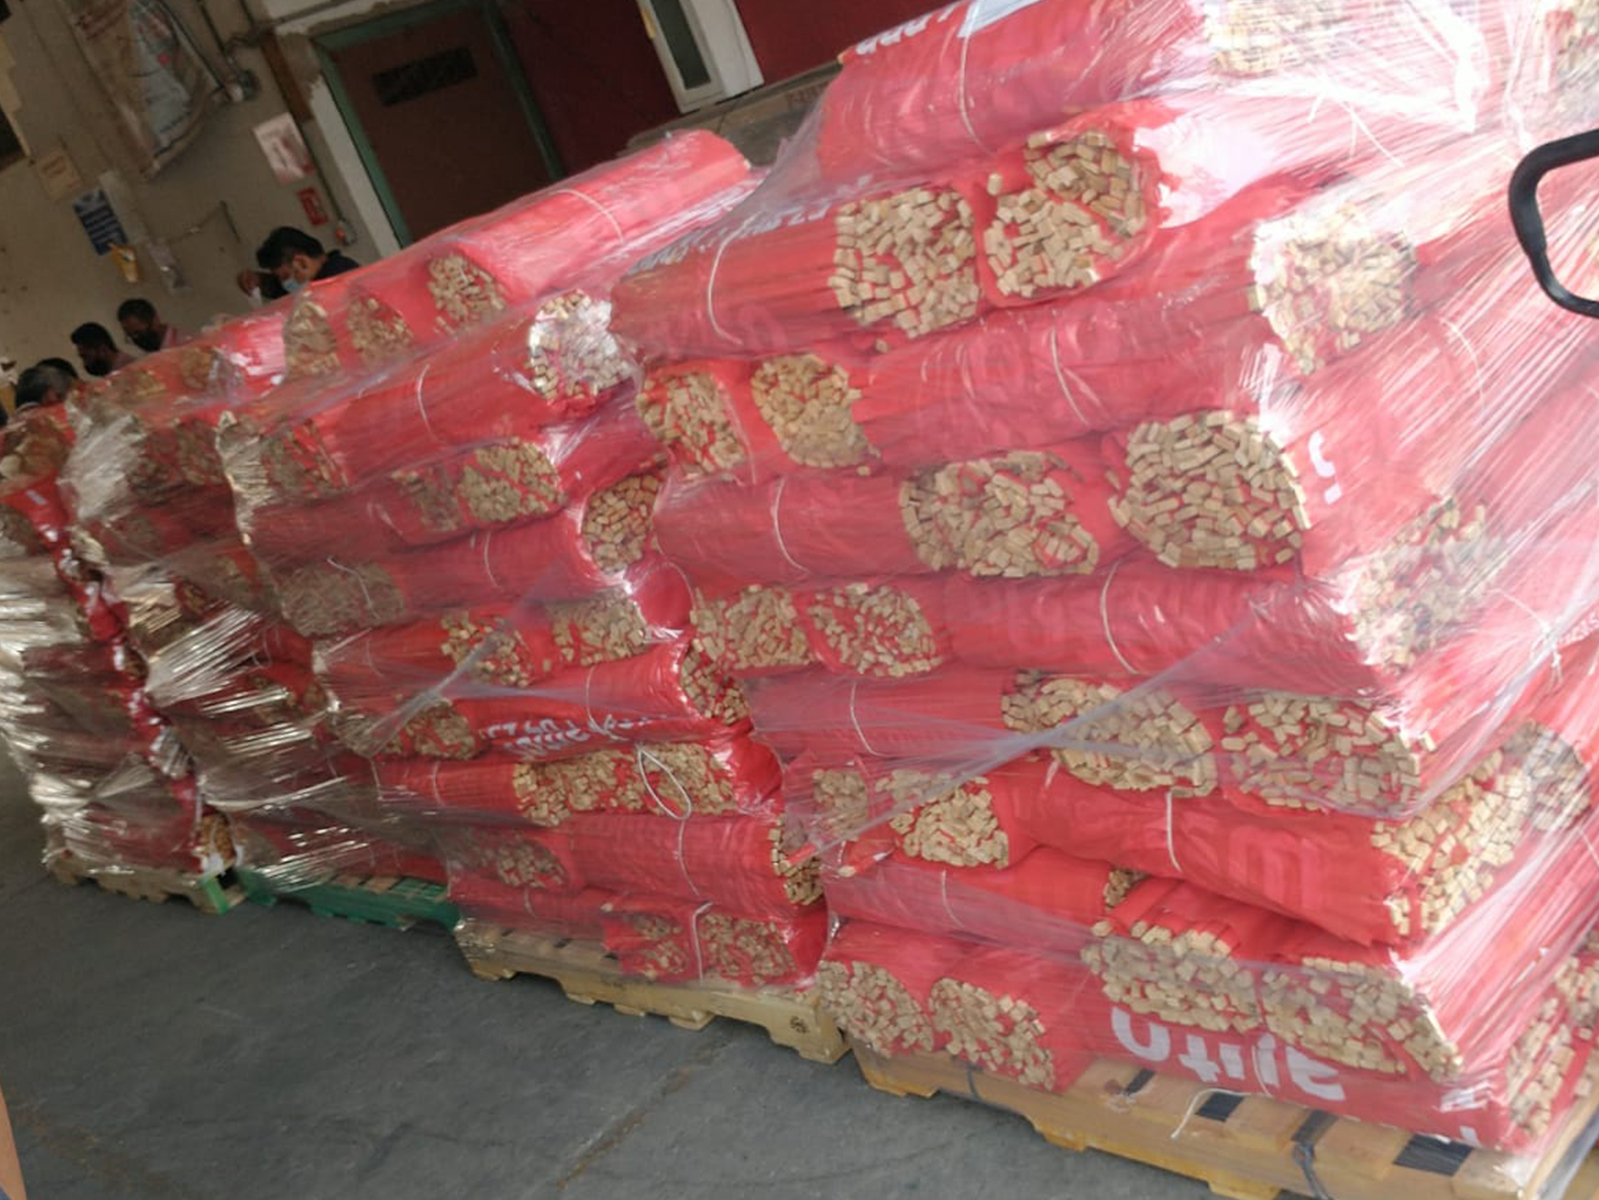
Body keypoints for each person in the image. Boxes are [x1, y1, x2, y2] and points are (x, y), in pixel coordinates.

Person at [254, 226, 359, 293]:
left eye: (286, 276)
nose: (285, 284)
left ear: (301, 262)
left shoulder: (338, 279)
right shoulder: (334, 268)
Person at [117, 298, 185, 353]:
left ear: (155, 321)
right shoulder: (156, 349)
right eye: (130, 335)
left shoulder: (182, 346)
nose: (136, 339)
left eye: (138, 333)